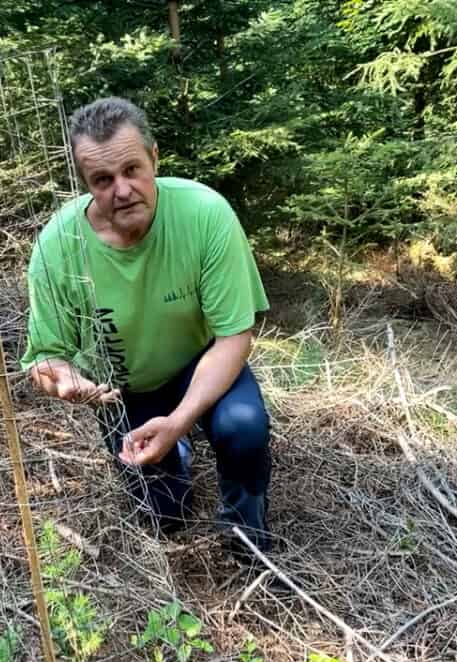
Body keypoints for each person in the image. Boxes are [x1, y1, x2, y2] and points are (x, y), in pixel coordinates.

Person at [20, 97, 272, 554]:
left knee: (244, 428)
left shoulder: (204, 213)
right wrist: (64, 379)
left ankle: (246, 533)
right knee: (163, 516)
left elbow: (234, 337)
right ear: (85, 184)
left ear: (154, 158)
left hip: (200, 362)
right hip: (123, 388)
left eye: (132, 170)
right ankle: (174, 463)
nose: (122, 190)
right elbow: (43, 357)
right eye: (103, 180)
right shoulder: (57, 245)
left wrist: (178, 420)